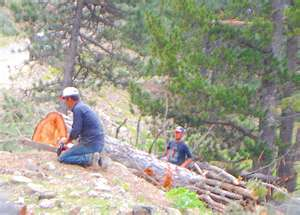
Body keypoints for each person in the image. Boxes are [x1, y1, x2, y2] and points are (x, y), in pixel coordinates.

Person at [57, 87, 105, 167]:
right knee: (72, 149)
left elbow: (76, 130)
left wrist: (67, 140)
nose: (65, 102)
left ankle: (90, 158)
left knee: (63, 158)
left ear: (69, 99)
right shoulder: (82, 107)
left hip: (90, 144)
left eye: (65, 99)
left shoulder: (78, 109)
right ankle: (95, 155)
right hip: (96, 143)